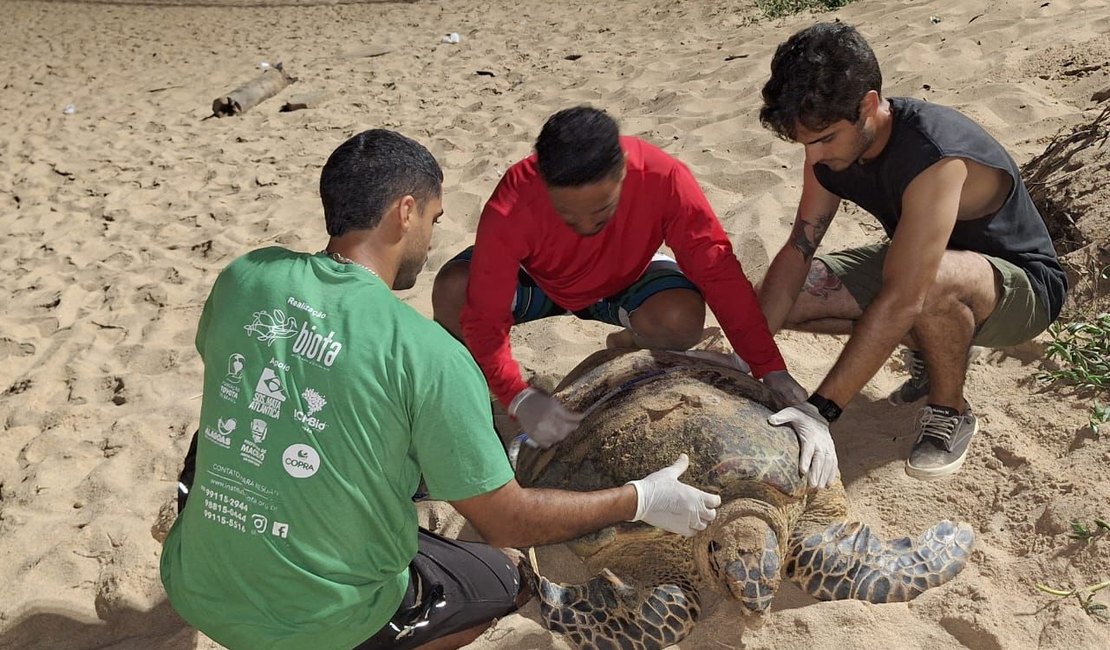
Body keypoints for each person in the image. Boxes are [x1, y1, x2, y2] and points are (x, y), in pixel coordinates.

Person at [159, 129, 721, 650]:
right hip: (322, 622)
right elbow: (508, 521)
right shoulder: (426, 352)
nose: (431, 238)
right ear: (405, 213)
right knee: (504, 576)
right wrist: (644, 499)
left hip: (195, 585)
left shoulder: (246, 276)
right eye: (434, 218)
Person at [432, 106, 837, 489]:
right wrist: (517, 395)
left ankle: (629, 346)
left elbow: (718, 272)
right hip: (539, 279)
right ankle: (472, 400)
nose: (587, 227)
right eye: (569, 217)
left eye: (602, 211)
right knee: (454, 291)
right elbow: (485, 317)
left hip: (621, 279)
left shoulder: (664, 178)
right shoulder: (514, 199)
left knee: (680, 317)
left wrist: (769, 367)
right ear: (541, 182)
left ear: (625, 172)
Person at [756, 23, 1067, 480]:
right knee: (789, 293)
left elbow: (905, 295)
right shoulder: (827, 140)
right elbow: (799, 247)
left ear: (868, 104)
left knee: (930, 285)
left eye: (824, 139)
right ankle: (937, 342)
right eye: (806, 143)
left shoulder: (933, 154)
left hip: (1022, 288)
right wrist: (754, 356)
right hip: (923, 261)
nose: (815, 156)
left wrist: (820, 409)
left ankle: (950, 411)